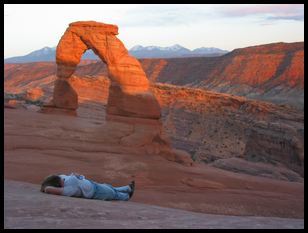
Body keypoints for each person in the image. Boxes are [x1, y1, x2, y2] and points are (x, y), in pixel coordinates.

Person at [40, 172, 135, 201]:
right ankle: (126, 196)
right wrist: (47, 188)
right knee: (112, 194)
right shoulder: (68, 189)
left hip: (93, 185)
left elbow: (49, 186)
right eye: (61, 180)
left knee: (109, 187)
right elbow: (48, 189)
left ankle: (127, 188)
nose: (63, 178)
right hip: (96, 192)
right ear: (58, 185)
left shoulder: (63, 179)